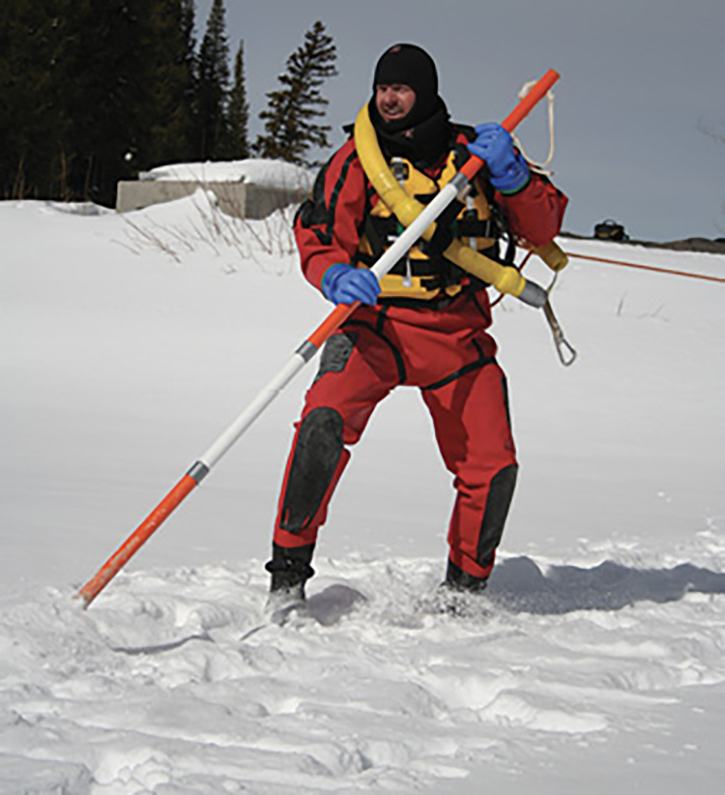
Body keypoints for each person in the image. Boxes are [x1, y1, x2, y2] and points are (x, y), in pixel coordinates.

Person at [265, 43, 568, 608]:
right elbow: (318, 232)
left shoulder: (475, 156)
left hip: (456, 335)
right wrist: (332, 274)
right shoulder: (357, 160)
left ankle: (465, 591)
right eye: (382, 87)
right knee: (321, 428)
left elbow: (544, 224)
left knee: (492, 463)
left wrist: (515, 175)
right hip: (374, 328)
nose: (388, 97)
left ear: (424, 92)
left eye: (400, 87)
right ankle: (286, 576)